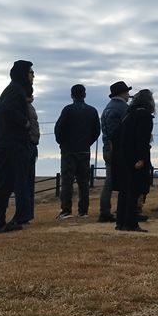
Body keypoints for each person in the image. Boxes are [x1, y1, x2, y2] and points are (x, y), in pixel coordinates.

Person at [0, 60, 33, 233]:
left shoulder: (15, 89)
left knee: (5, 184)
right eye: (30, 72)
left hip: (8, 145)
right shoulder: (15, 90)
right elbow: (4, 110)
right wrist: (24, 122)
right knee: (4, 185)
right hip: (9, 147)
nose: (33, 76)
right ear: (23, 74)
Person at [111, 88, 155, 232]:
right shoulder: (144, 115)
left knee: (124, 191)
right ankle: (131, 223)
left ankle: (121, 222)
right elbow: (142, 139)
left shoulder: (129, 114)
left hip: (122, 156)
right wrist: (141, 158)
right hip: (135, 157)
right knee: (134, 191)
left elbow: (116, 135)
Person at [54, 84, 100, 219]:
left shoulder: (67, 110)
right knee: (84, 182)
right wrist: (87, 142)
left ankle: (66, 210)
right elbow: (97, 131)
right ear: (84, 94)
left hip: (68, 151)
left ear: (72, 95)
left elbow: (58, 129)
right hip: (84, 150)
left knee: (67, 181)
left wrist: (62, 143)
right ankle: (83, 211)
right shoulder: (92, 111)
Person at [97, 81, 131, 222]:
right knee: (126, 180)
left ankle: (104, 210)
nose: (128, 95)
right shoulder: (123, 108)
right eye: (127, 92)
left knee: (109, 181)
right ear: (123, 93)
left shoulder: (107, 108)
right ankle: (124, 209)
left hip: (107, 147)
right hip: (119, 148)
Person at [14, 93, 39, 224]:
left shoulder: (23, 107)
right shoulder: (31, 108)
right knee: (29, 182)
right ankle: (27, 213)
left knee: (22, 181)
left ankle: (23, 214)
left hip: (26, 145)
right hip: (33, 144)